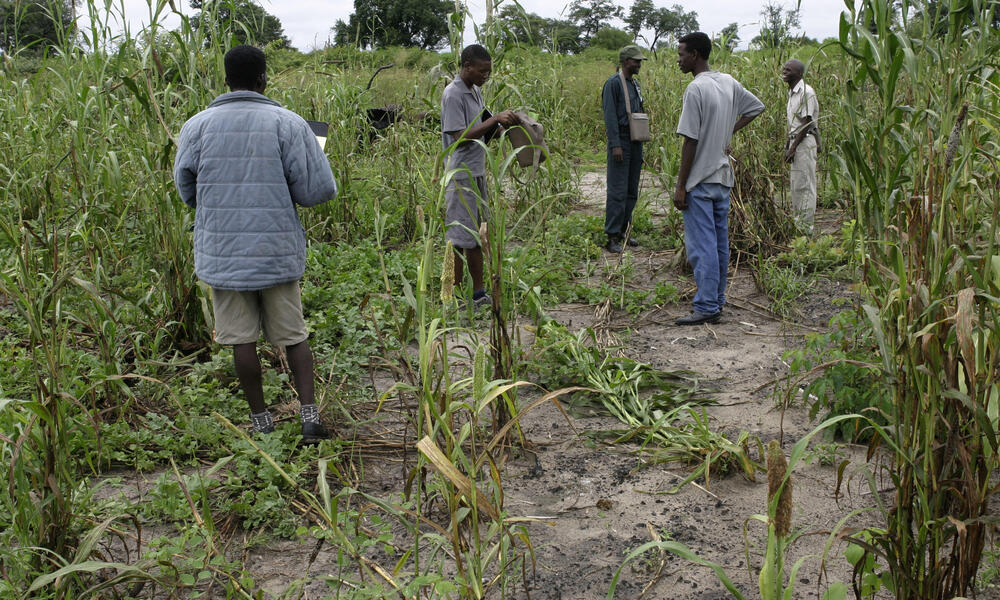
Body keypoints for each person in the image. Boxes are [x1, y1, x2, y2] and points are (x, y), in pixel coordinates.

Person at [173, 45, 338, 441]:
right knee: (294, 335)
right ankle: (310, 419)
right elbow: (318, 191)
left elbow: (186, 190)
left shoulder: (196, 126)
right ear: (264, 78)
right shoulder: (289, 124)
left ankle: (261, 423)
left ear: (226, 80)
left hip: (223, 255)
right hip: (275, 252)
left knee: (241, 340)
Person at [673, 32, 765, 326]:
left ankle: (707, 305)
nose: (679, 59)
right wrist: (727, 132)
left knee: (703, 246)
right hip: (723, 179)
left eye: (682, 54)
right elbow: (756, 107)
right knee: (720, 244)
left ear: (696, 55)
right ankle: (717, 300)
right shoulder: (729, 82)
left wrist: (680, 186)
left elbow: (690, 141)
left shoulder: (696, 89)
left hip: (699, 181)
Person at [441, 44, 519, 309]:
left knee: (475, 236)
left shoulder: (475, 91)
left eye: (489, 72)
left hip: (476, 172)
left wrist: (500, 127)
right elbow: (459, 136)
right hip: (460, 175)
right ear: (467, 67)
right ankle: (452, 297)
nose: (485, 76)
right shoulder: (453, 94)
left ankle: (477, 294)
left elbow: (480, 130)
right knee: (457, 238)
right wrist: (494, 118)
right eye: (481, 71)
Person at [602, 44, 648, 253]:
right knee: (617, 190)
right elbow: (610, 117)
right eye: (635, 61)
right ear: (625, 61)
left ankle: (623, 231)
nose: (639, 64)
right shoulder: (613, 84)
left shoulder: (634, 84)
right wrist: (616, 145)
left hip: (635, 141)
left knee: (631, 190)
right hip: (621, 140)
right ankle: (611, 235)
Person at [781, 59, 821, 232]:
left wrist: (793, 147)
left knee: (805, 185)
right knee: (797, 185)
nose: (784, 71)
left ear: (799, 73)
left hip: (804, 143)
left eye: (788, 70)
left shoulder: (806, 92)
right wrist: (788, 145)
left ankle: (806, 228)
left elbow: (806, 124)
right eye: (784, 68)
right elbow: (794, 125)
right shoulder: (792, 93)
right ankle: (799, 225)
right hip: (797, 143)